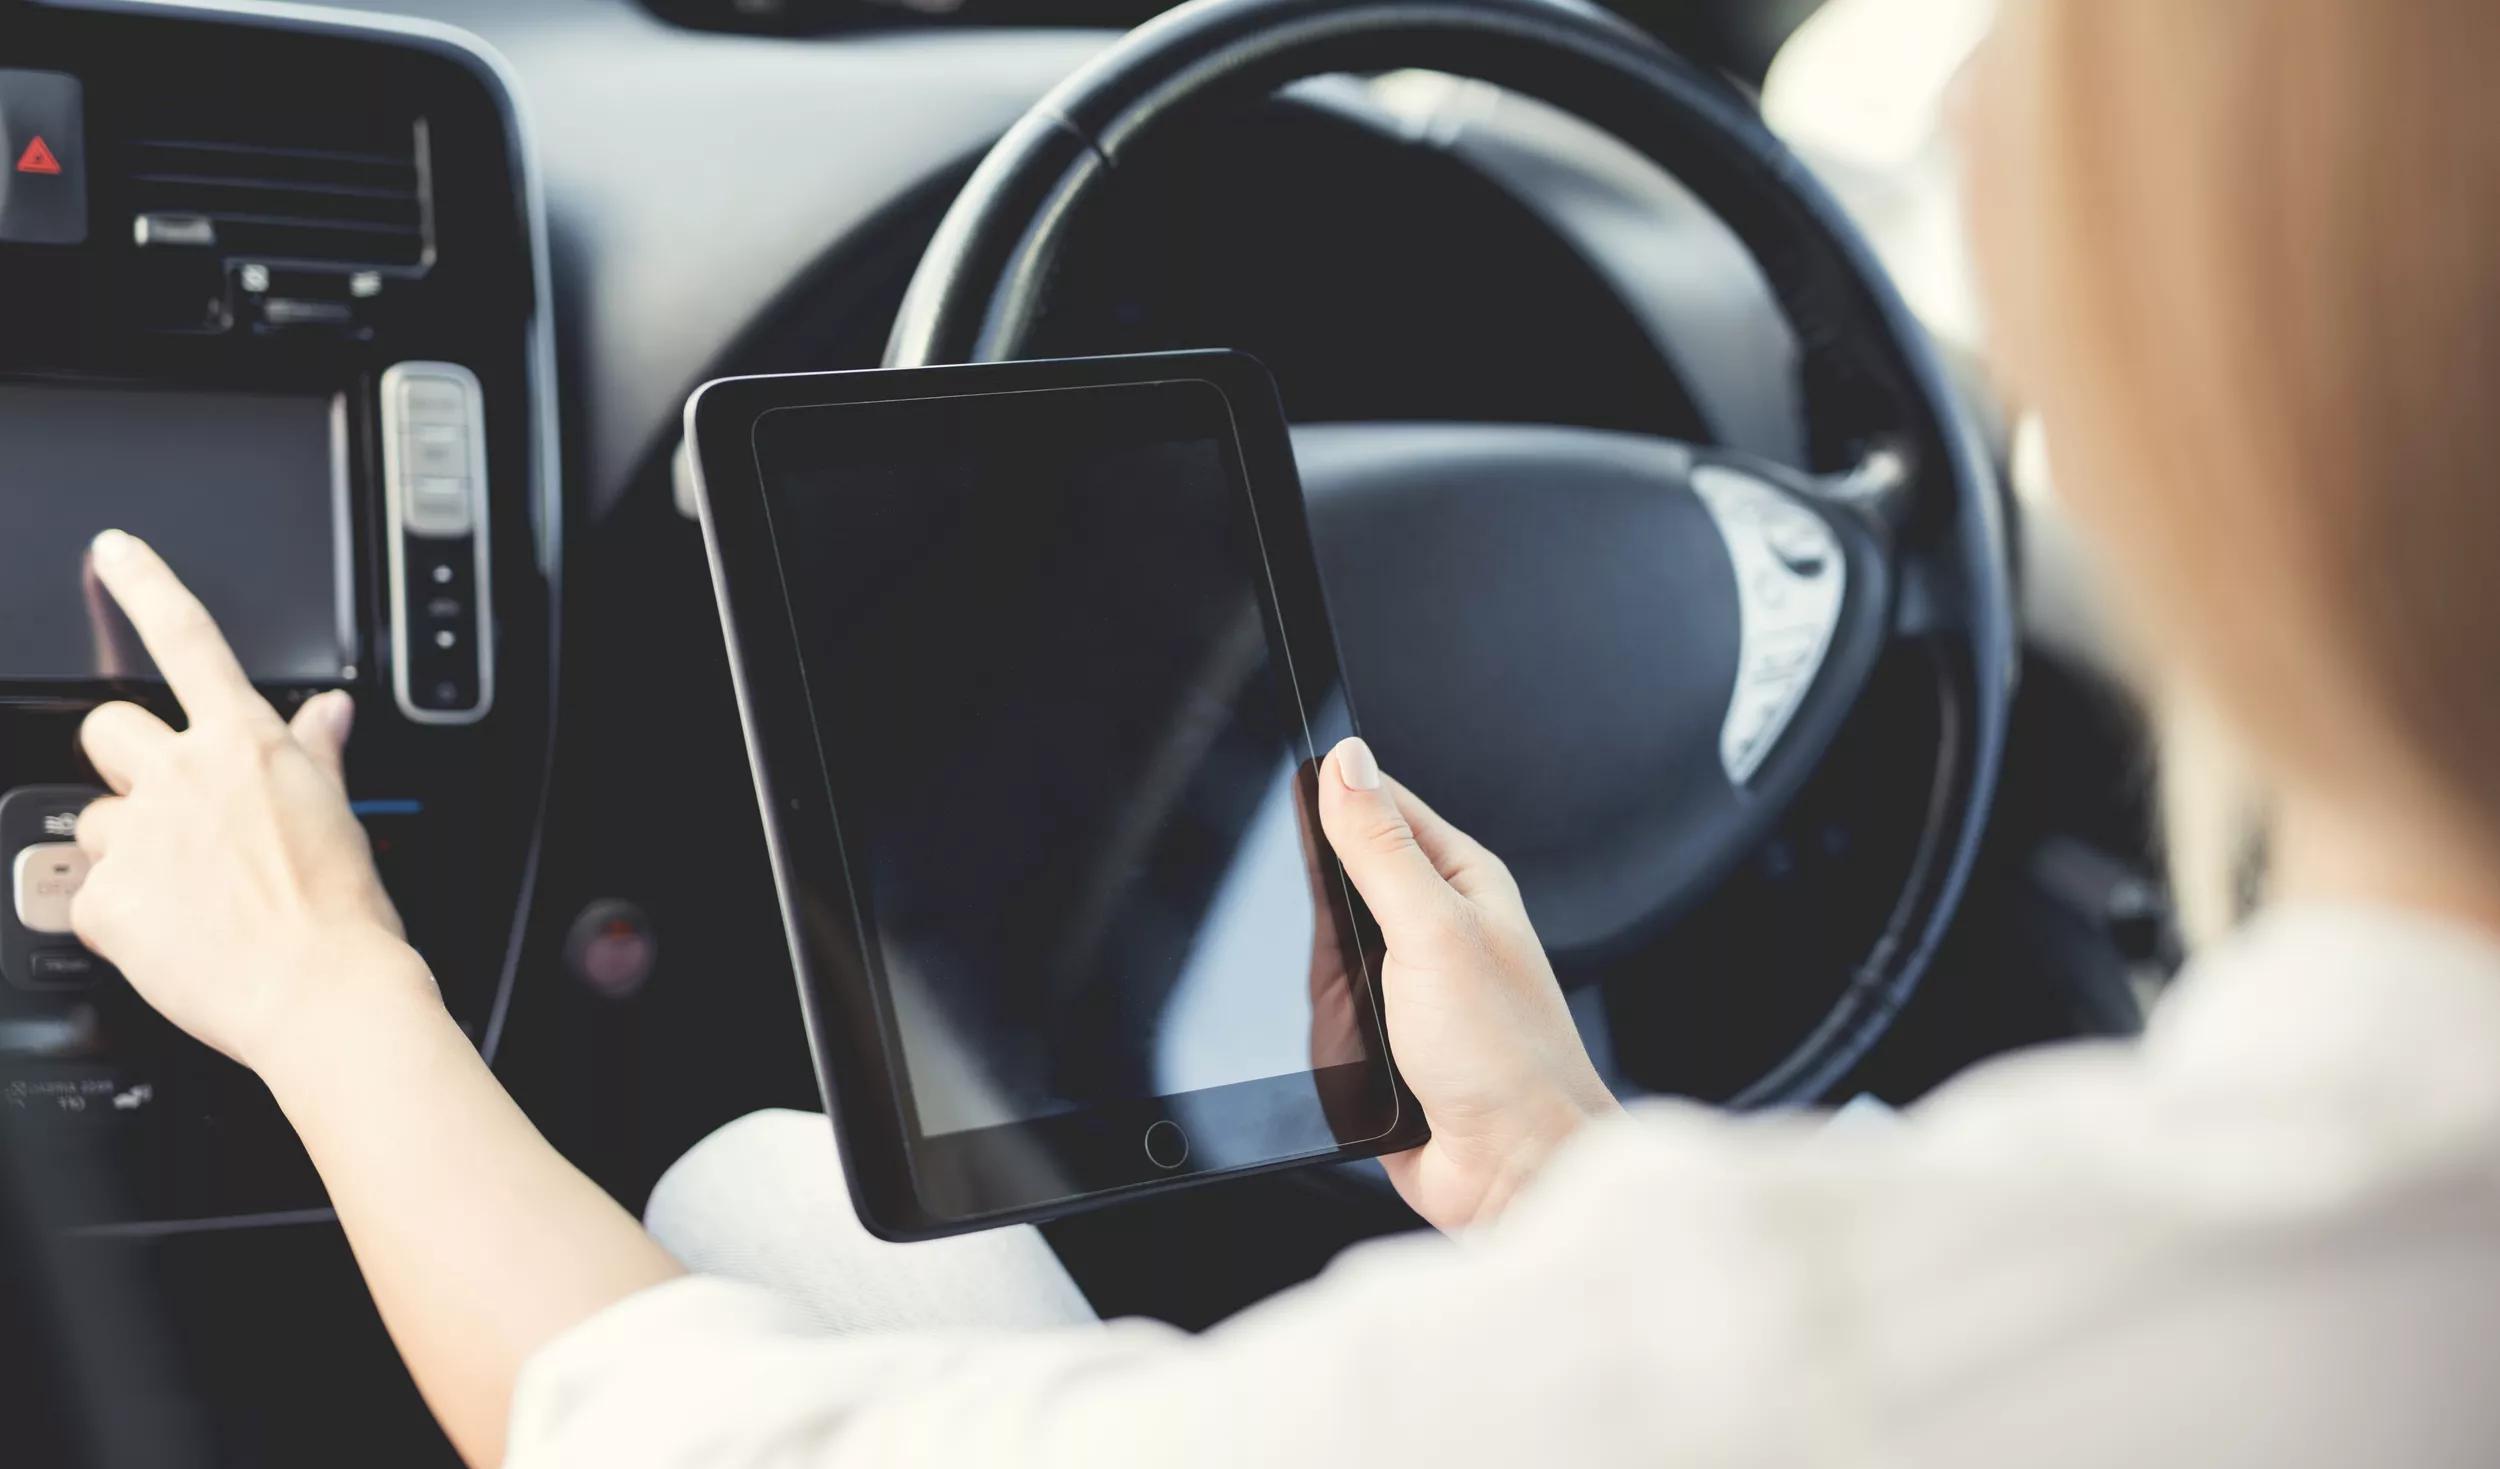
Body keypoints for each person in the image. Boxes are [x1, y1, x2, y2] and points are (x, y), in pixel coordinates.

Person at [59, 0, 2500, 1463]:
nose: (1977, 132)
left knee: (755, 1206)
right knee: (802, 1201)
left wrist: (324, 990)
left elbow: (702, 1446)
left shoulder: (1992, 1315)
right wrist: (1563, 1166)